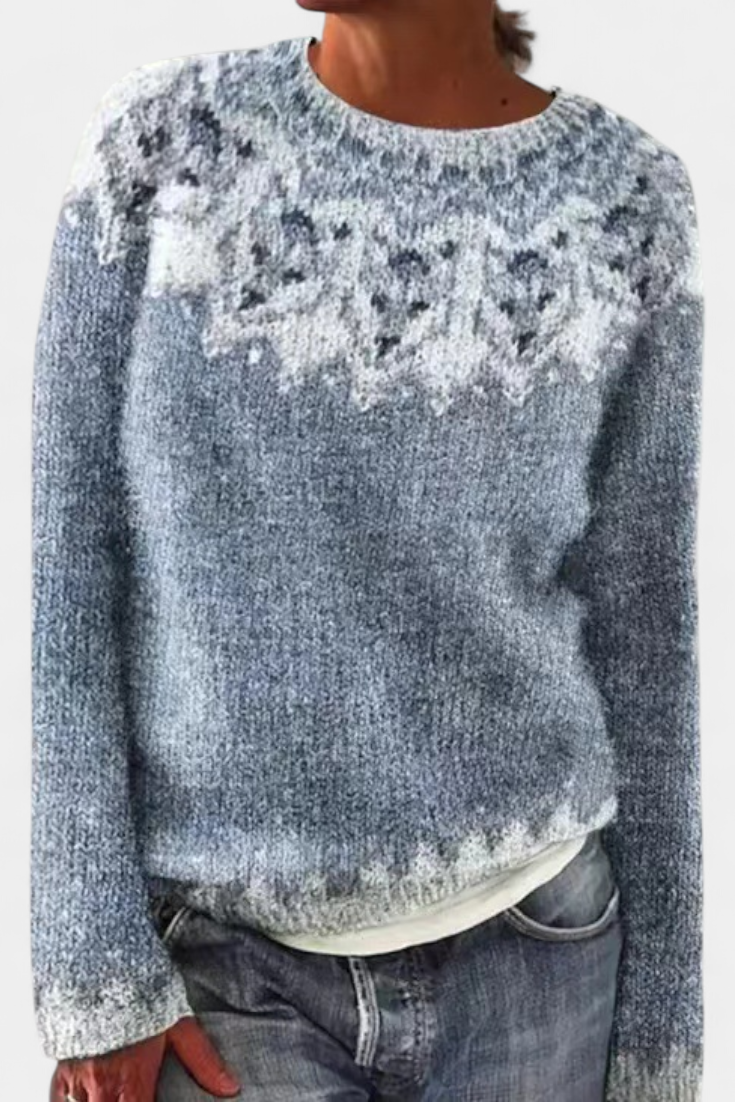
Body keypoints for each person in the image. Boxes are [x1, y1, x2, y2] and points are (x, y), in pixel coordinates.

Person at [30, 2, 705, 1100]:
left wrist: (661, 1045)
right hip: (221, 972)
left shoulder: (625, 203)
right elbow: (70, 570)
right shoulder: (166, 146)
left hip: (542, 959)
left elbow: (646, 626)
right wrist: (92, 967)